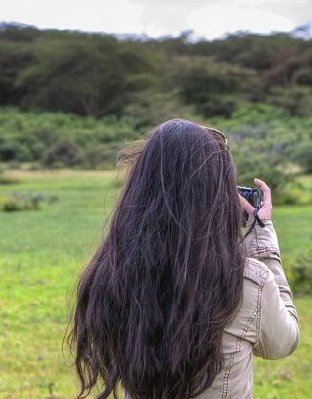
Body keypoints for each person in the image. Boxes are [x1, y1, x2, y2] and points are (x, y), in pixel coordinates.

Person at [68, 119, 299, 399]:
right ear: (218, 195)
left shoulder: (111, 273)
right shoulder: (244, 281)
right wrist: (262, 239)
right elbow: (283, 343)